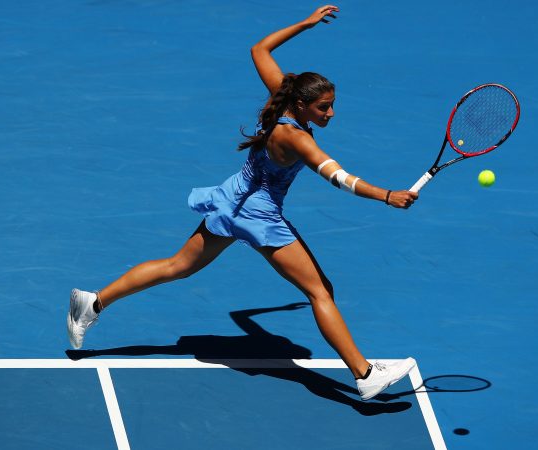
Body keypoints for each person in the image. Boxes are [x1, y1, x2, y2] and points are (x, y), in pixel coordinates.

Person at [67, 5, 419, 401]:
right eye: (323, 107)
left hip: (232, 200)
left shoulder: (281, 95)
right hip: (259, 215)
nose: (331, 113)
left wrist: (304, 24)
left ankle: (92, 302)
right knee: (321, 291)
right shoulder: (298, 139)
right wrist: (386, 195)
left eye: (332, 104)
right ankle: (364, 372)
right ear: (303, 106)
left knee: (177, 266)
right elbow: (341, 178)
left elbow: (259, 49)